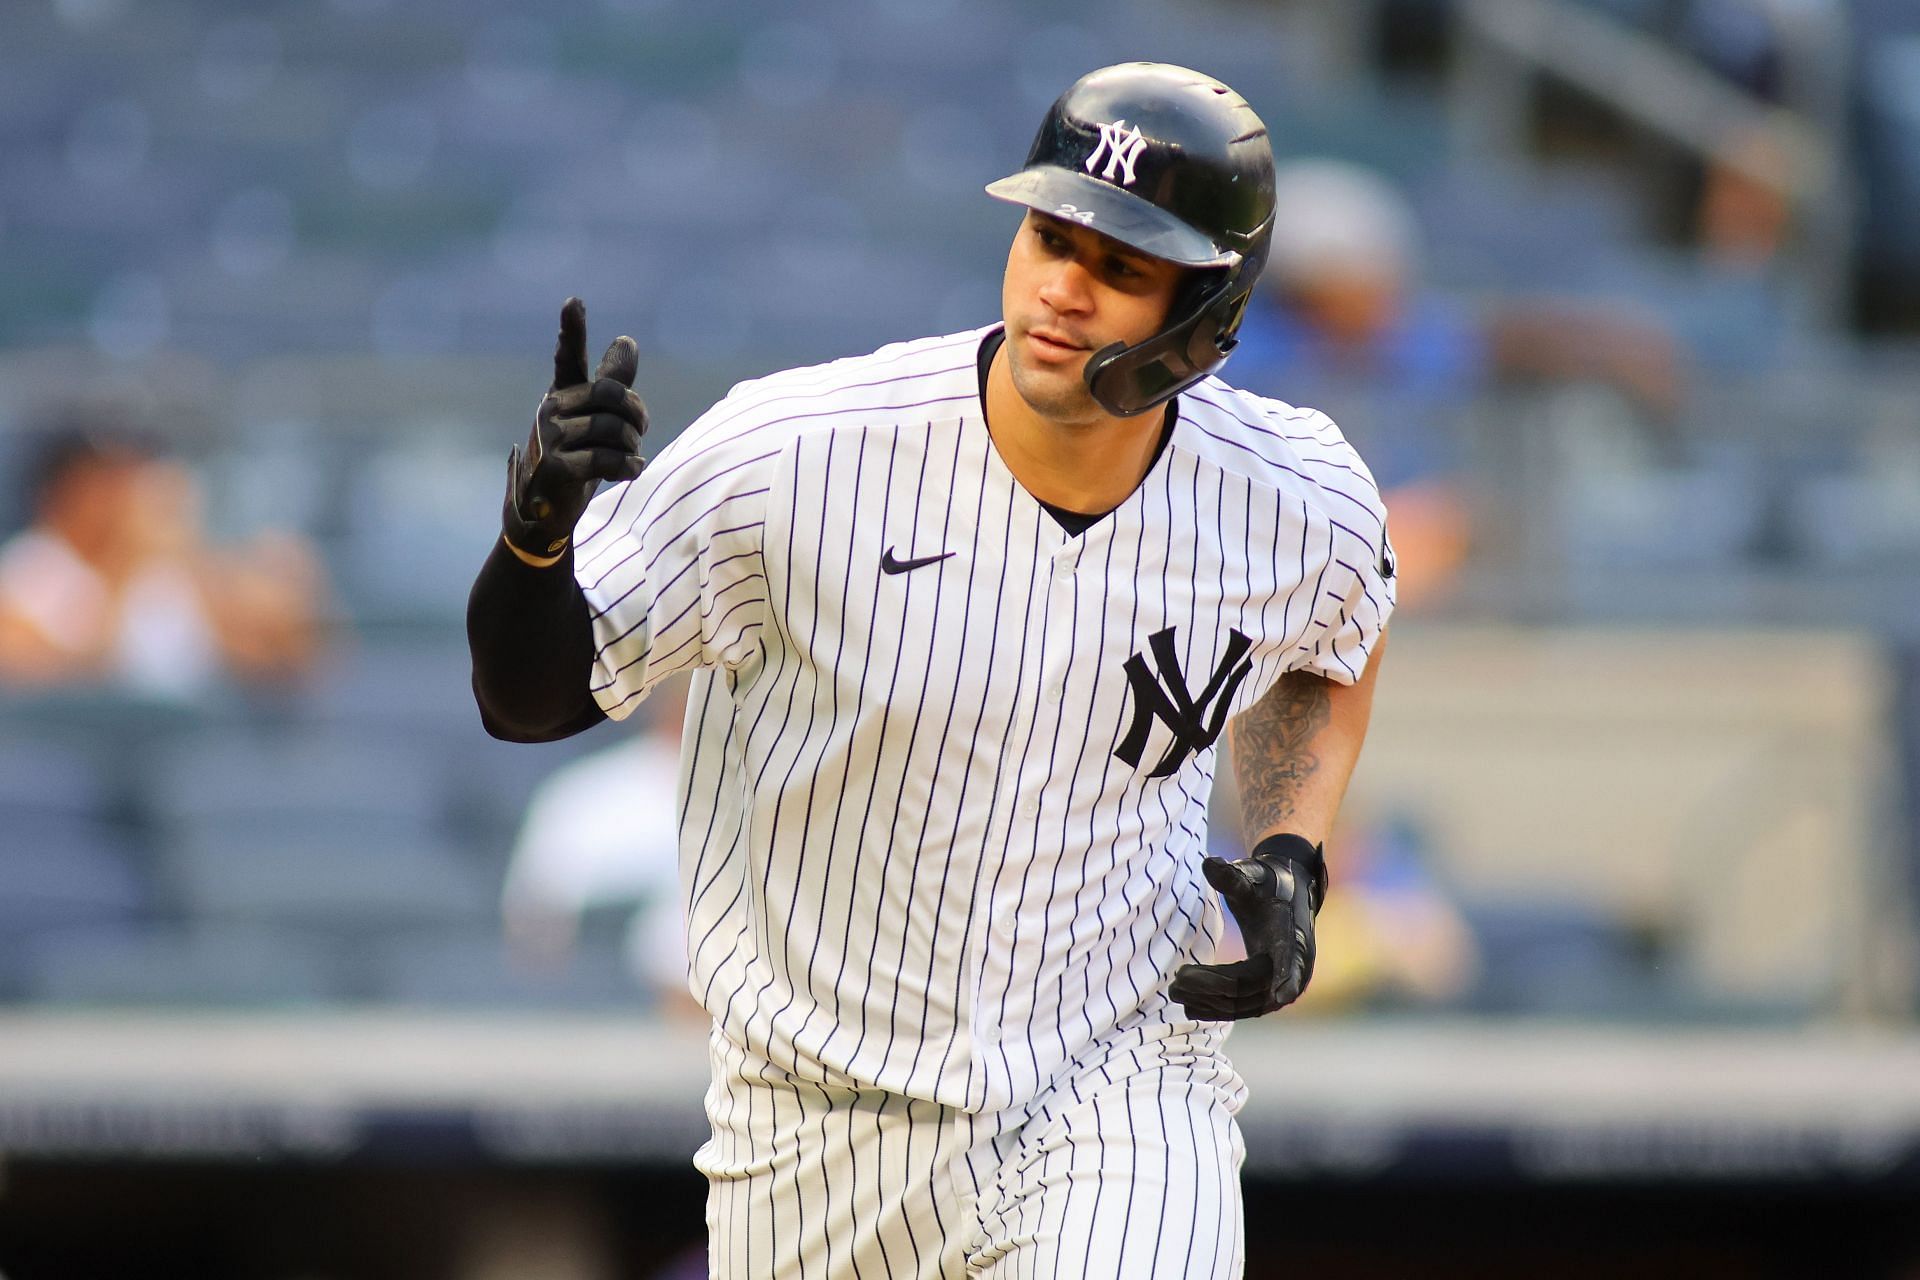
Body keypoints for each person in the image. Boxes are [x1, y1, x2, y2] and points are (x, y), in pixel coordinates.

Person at [469, 63, 1392, 1279]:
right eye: (1051, 236)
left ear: (1207, 318)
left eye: (1120, 267)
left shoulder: (1293, 491)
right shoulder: (789, 455)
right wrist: (534, 541)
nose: (1063, 287)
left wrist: (1290, 849)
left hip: (1112, 1084)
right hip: (812, 1122)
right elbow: (525, 699)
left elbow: (1337, 644)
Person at [0, 425, 328, 696]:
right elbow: (38, 681)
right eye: (103, 479)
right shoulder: (30, 566)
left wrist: (200, 564)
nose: (120, 493)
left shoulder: (168, 563)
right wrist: (124, 566)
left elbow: (282, 660)